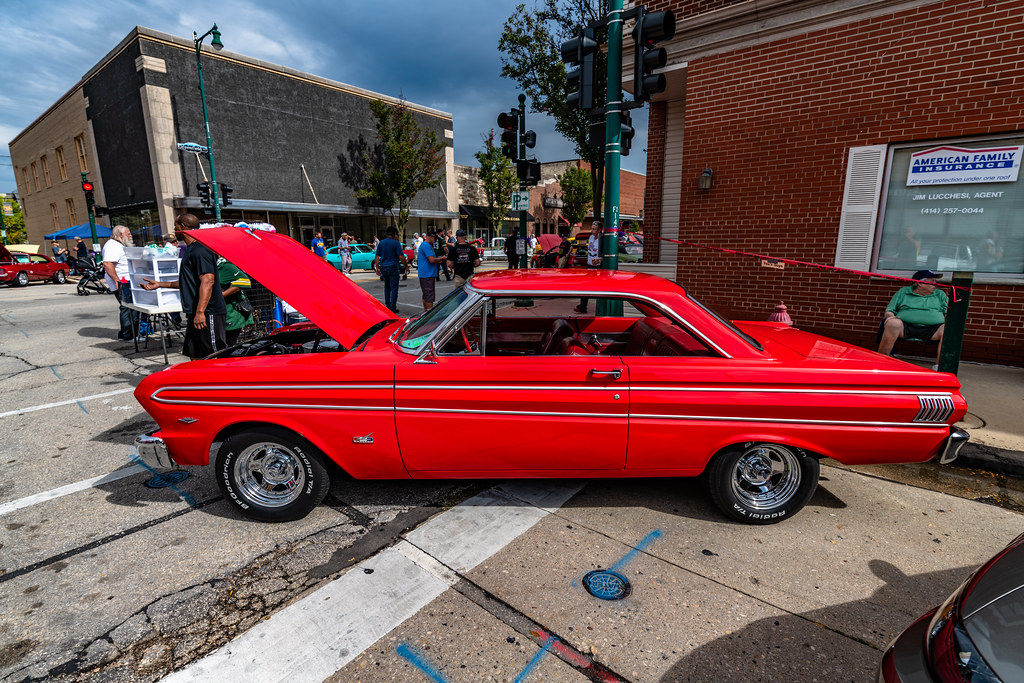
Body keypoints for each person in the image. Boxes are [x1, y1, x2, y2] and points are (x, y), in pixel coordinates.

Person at [141, 213, 227, 360]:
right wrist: (160, 284)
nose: (174, 230)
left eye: (175, 227)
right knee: (195, 355)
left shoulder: (200, 250)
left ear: (182, 227)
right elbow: (188, 283)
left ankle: (219, 382)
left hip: (208, 313)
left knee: (213, 357)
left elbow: (208, 281)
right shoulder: (191, 250)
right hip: (196, 312)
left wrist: (200, 312)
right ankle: (198, 383)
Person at [878, 269, 947, 368]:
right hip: (905, 326)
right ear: (920, 283)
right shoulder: (903, 292)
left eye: (935, 281)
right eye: (931, 281)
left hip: (933, 329)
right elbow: (889, 310)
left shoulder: (940, 294)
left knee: (948, 330)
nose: (935, 284)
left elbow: (950, 312)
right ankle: (882, 360)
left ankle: (939, 365)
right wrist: (891, 317)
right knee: (893, 324)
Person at [101, 225, 137, 342]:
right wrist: (117, 280)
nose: (130, 236)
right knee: (127, 307)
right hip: (122, 281)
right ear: (120, 235)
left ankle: (126, 333)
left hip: (124, 280)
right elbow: (107, 264)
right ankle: (128, 334)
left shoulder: (118, 245)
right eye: (128, 234)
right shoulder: (113, 245)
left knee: (128, 307)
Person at [217, 256, 254, 346]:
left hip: (232, 314)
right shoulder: (212, 263)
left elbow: (244, 281)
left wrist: (221, 295)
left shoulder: (223, 264)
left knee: (228, 346)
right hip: (223, 313)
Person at [373, 226, 407, 314]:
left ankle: (387, 305)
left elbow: (377, 256)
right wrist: (406, 266)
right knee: (394, 288)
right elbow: (401, 256)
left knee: (387, 287)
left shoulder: (381, 243)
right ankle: (393, 306)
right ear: (394, 234)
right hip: (393, 267)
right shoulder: (396, 243)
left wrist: (377, 267)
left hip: (384, 267)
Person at [575, 223, 603, 313]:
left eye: (594, 229)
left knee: (598, 288)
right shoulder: (591, 237)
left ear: (599, 230)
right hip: (589, 265)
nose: (592, 231)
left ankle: (601, 308)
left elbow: (606, 254)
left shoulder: (602, 240)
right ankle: (583, 306)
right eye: (592, 228)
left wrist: (599, 260)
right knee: (585, 285)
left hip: (598, 267)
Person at [417, 231, 446, 310]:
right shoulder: (427, 246)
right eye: (435, 239)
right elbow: (431, 260)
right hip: (428, 274)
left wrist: (439, 260)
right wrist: (442, 258)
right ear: (430, 237)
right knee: (429, 296)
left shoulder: (424, 245)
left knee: (426, 295)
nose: (436, 241)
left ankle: (425, 312)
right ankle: (429, 314)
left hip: (425, 274)